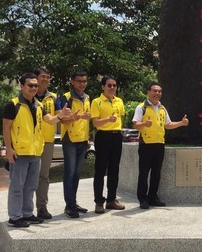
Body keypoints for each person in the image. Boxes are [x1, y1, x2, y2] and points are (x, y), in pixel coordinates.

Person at [3, 73, 68, 227]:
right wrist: (9, 149)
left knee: (31, 186)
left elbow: (49, 121)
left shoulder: (38, 105)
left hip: (35, 152)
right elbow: (6, 128)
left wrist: (60, 116)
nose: (33, 88)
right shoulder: (13, 105)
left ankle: (27, 213)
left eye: (35, 85)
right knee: (17, 186)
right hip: (20, 152)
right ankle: (15, 216)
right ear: (22, 86)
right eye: (30, 85)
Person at [132, 82, 189, 209]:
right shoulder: (142, 107)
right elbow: (135, 124)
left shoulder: (162, 108)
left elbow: (168, 125)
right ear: (148, 92)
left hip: (159, 144)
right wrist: (144, 124)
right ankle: (142, 198)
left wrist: (181, 123)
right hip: (146, 144)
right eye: (155, 91)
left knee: (156, 173)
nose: (157, 93)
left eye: (159, 91)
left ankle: (153, 197)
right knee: (144, 173)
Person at [56, 70, 91, 219]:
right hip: (69, 140)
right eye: (79, 81)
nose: (82, 84)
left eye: (84, 81)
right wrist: (75, 118)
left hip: (82, 140)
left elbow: (86, 120)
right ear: (72, 81)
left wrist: (88, 138)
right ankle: (69, 206)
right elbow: (62, 120)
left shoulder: (87, 98)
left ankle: (73, 202)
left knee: (76, 174)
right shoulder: (65, 98)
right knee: (69, 173)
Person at [91, 75, 126, 214]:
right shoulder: (96, 102)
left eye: (114, 85)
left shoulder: (119, 101)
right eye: (109, 85)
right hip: (103, 136)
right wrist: (107, 119)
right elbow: (95, 123)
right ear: (103, 87)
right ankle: (99, 202)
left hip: (116, 136)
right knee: (100, 170)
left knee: (114, 169)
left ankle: (112, 200)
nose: (112, 88)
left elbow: (120, 118)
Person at [34, 67, 57, 220]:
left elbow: (59, 115)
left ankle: (42, 207)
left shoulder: (54, 97)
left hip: (48, 141)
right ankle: (25, 209)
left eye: (48, 77)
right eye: (43, 76)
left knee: (43, 176)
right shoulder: (27, 95)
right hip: (30, 141)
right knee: (28, 176)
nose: (45, 79)